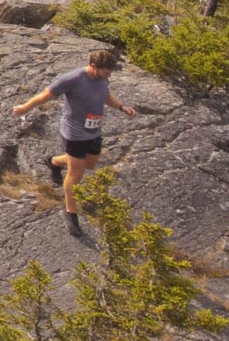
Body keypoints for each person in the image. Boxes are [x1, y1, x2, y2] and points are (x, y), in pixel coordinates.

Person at [11, 48, 138, 237]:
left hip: (93, 131)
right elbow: (45, 95)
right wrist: (24, 108)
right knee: (76, 172)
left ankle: (54, 161)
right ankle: (70, 213)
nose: (109, 75)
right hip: (74, 133)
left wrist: (121, 106)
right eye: (106, 71)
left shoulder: (102, 78)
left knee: (90, 164)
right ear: (94, 66)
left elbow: (105, 95)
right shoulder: (72, 79)